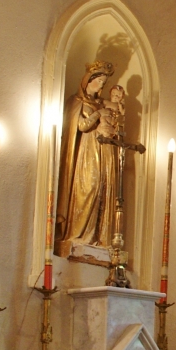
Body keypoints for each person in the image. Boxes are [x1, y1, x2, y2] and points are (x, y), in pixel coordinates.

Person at [55, 60, 118, 256]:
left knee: (101, 190)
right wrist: (98, 114)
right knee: (87, 188)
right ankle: (77, 234)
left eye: (104, 82)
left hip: (103, 151)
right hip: (85, 153)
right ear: (88, 81)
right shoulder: (76, 102)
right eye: (99, 80)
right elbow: (81, 126)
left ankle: (95, 238)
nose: (101, 85)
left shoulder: (102, 104)